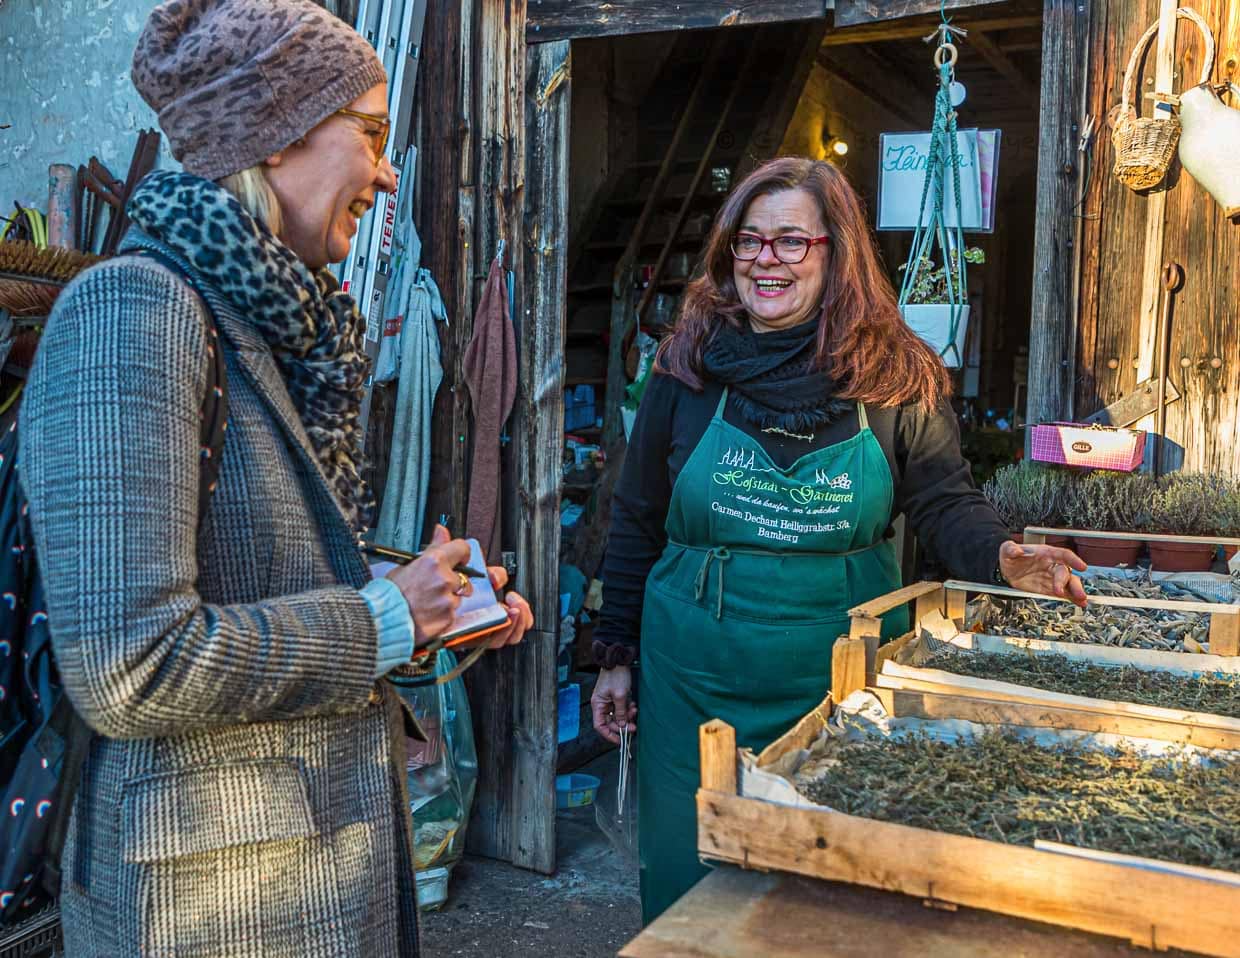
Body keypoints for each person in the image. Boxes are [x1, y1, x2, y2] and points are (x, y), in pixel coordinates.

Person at [19, 2, 533, 955]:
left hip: (298, 878)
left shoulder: (263, 320)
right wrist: (384, 618)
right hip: (210, 905)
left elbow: (261, 586)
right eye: (372, 135)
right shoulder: (133, 310)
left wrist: (428, 608)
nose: (386, 173)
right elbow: (129, 668)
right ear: (279, 132)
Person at [589, 156, 1086, 923]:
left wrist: (1005, 557)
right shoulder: (685, 369)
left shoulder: (894, 375)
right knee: (692, 878)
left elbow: (943, 499)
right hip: (692, 673)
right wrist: (613, 654)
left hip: (838, 674)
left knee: (827, 889)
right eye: (749, 242)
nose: (766, 260)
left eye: (791, 241)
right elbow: (635, 516)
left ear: (835, 251)